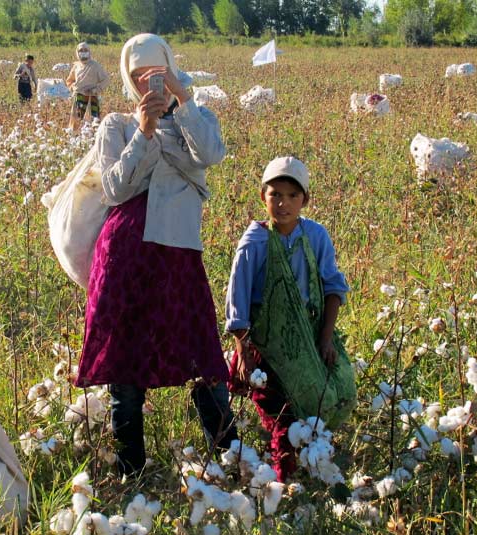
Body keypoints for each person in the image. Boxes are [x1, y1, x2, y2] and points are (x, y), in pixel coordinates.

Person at [75, 33, 237, 477]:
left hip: (178, 254)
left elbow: (211, 154)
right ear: (128, 79)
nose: (149, 82)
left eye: (156, 72)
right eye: (138, 75)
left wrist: (181, 103)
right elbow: (115, 188)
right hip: (125, 257)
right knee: (124, 362)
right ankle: (131, 470)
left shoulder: (197, 116)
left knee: (202, 354)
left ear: (170, 66)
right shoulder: (117, 125)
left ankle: (233, 459)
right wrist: (144, 130)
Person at [225, 156, 350, 482]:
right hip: (266, 344)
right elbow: (237, 302)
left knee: (326, 399)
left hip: (308, 338)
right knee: (280, 414)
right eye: (275, 195)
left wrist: (325, 338)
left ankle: (307, 467)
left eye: (292, 196)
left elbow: (333, 287)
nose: (283, 203)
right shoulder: (254, 243)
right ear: (262, 197)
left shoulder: (315, 236)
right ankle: (283, 481)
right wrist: (244, 350)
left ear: (305, 200)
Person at [65, 42, 110, 129]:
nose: (83, 52)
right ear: (77, 53)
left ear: (89, 51)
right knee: (77, 120)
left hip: (91, 96)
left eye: (85, 50)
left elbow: (106, 80)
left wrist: (96, 89)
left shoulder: (95, 66)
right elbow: (69, 80)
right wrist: (73, 87)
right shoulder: (76, 66)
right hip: (78, 97)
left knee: (92, 121)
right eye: (81, 50)